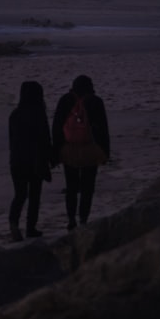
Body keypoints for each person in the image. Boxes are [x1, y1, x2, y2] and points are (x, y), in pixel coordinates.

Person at [52, 74, 110, 230]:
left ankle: (71, 219)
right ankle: (84, 219)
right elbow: (103, 129)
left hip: (69, 149)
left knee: (71, 186)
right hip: (90, 149)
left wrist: (56, 152)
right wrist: (105, 152)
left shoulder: (65, 100)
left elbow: (57, 126)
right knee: (87, 187)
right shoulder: (96, 101)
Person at [8, 80, 53, 241]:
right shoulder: (38, 114)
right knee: (35, 196)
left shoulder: (15, 114)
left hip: (17, 161)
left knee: (19, 195)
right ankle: (30, 228)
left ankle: (13, 223)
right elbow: (45, 139)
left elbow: (11, 140)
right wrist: (51, 159)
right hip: (35, 161)